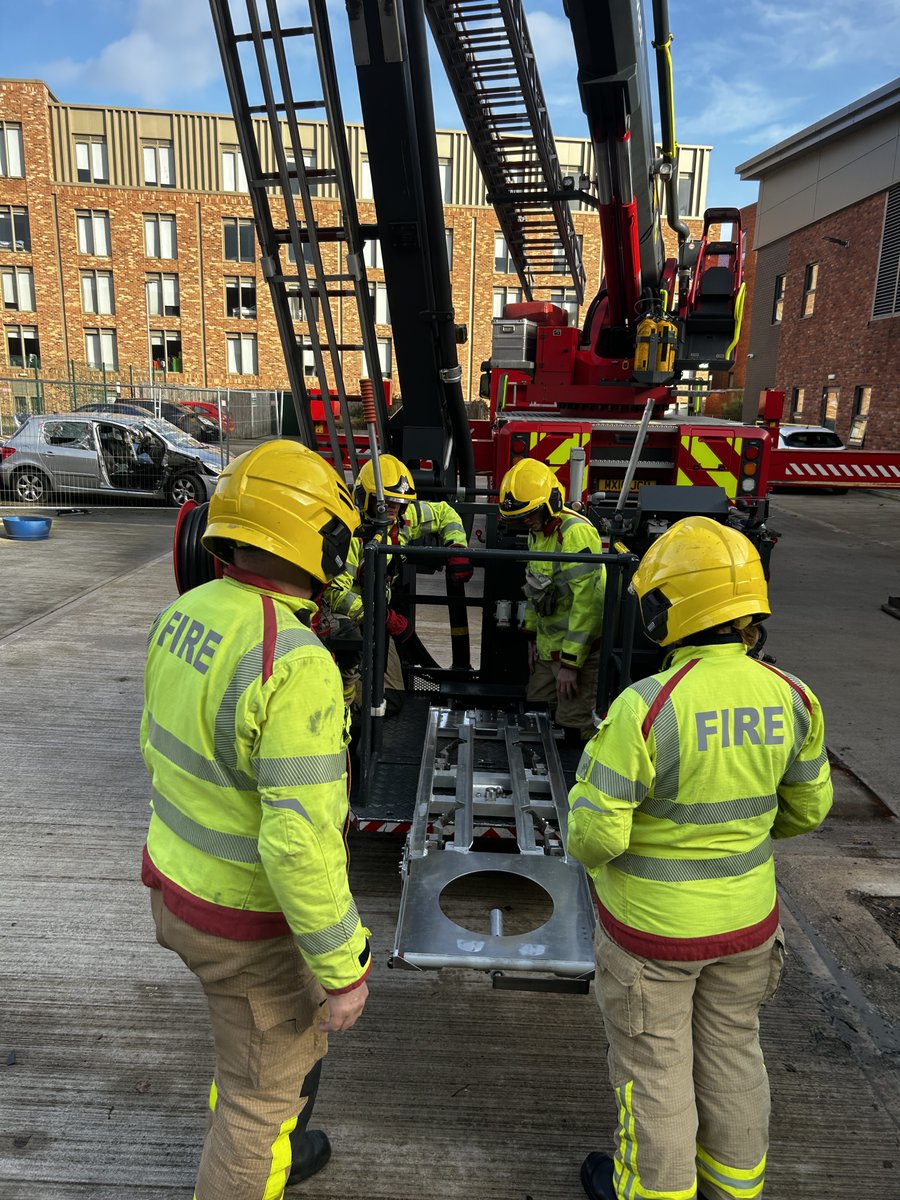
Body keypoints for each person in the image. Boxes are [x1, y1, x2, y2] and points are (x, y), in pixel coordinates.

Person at [566, 515, 833, 1200]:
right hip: (748, 928)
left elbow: (596, 836)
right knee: (734, 1057)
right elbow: (806, 813)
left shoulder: (646, 709)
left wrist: (598, 866)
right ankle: (735, 1189)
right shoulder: (794, 698)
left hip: (653, 938)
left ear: (667, 610)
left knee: (654, 1073)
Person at [140, 439, 371, 1200]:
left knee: (246, 1057)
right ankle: (256, 1153)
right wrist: (344, 971)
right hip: (243, 920)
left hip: (177, 887)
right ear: (318, 540)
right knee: (262, 1095)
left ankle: (262, 1144)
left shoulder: (186, 613)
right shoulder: (296, 660)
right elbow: (297, 842)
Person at [323, 453, 472, 699]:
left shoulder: (402, 520)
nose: (394, 507)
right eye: (387, 500)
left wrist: (457, 548)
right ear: (365, 497)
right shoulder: (350, 533)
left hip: (379, 617)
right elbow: (334, 594)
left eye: (400, 502)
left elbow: (445, 513)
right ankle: (345, 703)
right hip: (349, 621)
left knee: (391, 696)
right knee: (360, 686)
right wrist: (382, 616)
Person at [497, 457, 606, 741]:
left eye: (530, 514)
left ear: (551, 503)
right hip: (548, 650)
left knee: (573, 726)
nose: (525, 521)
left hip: (577, 655)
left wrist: (570, 665)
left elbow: (589, 605)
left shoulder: (575, 534)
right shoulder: (538, 532)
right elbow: (535, 587)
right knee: (536, 707)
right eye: (519, 517)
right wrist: (531, 636)